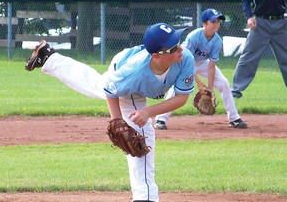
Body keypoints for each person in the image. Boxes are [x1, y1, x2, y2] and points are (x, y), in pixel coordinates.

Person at [25, 22, 195, 202]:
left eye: (179, 42)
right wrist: (117, 122)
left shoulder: (185, 58)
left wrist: (148, 112)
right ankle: (145, 197)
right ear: (156, 55)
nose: (180, 49)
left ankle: (49, 57)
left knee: (95, 85)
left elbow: (181, 98)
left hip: (132, 79)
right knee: (142, 132)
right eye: (173, 47)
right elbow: (110, 89)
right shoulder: (134, 71)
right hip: (122, 75)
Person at [154, 9, 247, 130]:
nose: (216, 24)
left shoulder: (217, 40)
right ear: (204, 24)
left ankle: (234, 119)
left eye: (218, 22)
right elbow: (185, 59)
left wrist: (210, 88)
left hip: (203, 63)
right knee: (177, 88)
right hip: (183, 61)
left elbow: (211, 65)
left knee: (223, 83)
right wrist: (198, 82)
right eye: (213, 21)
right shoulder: (194, 36)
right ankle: (160, 119)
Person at [232, 0, 287, 99]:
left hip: (281, 23)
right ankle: (235, 90)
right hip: (259, 23)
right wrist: (249, 17)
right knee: (249, 57)